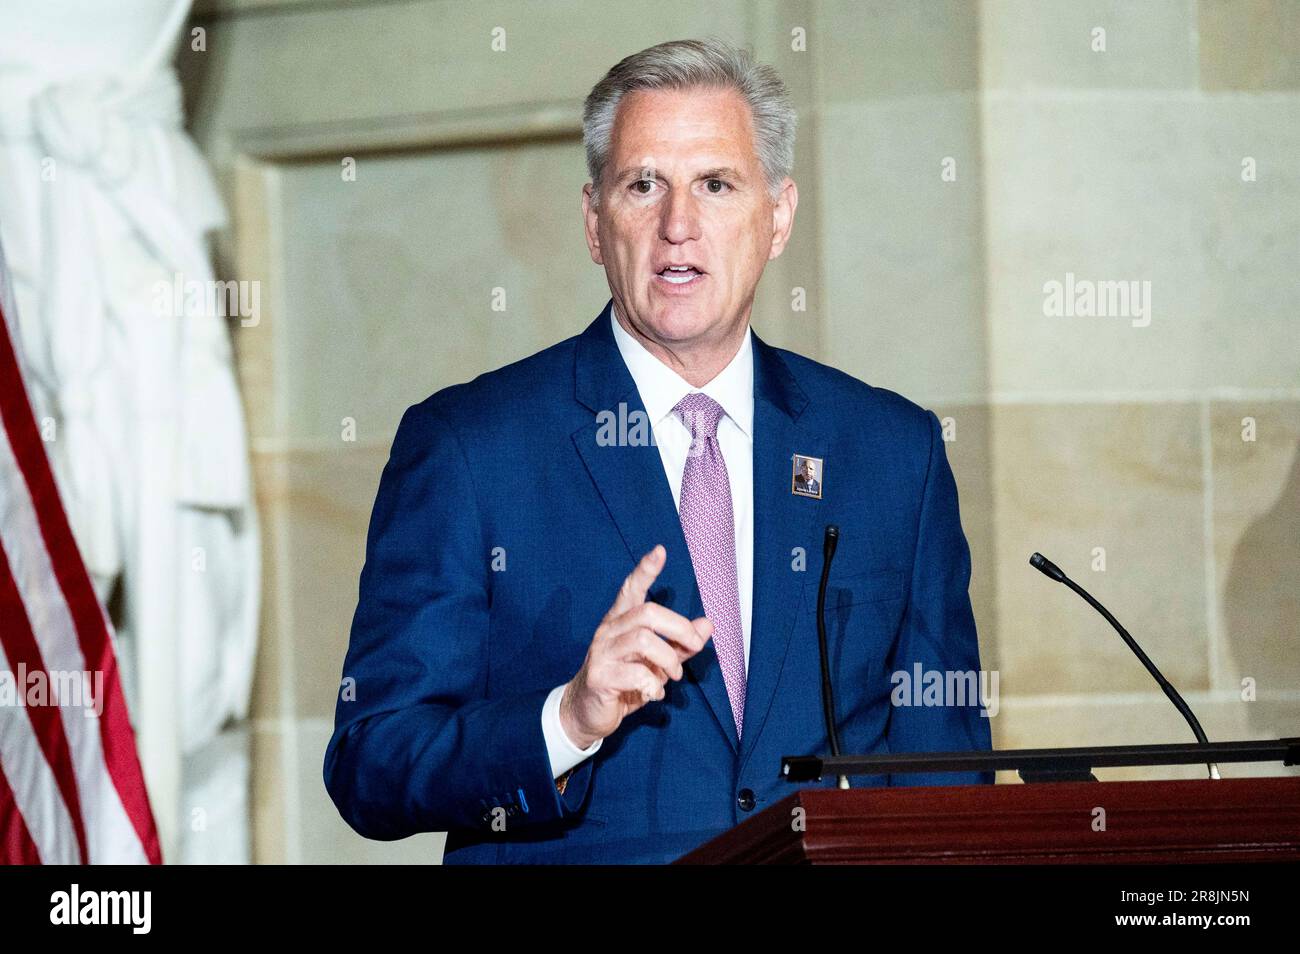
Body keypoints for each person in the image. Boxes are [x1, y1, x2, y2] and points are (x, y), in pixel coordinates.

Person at [324, 36, 992, 864]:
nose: (679, 226)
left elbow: (946, 775)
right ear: (595, 221)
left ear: (777, 217)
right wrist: (567, 719)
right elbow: (372, 762)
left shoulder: (893, 452)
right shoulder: (469, 447)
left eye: (716, 185)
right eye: (644, 185)